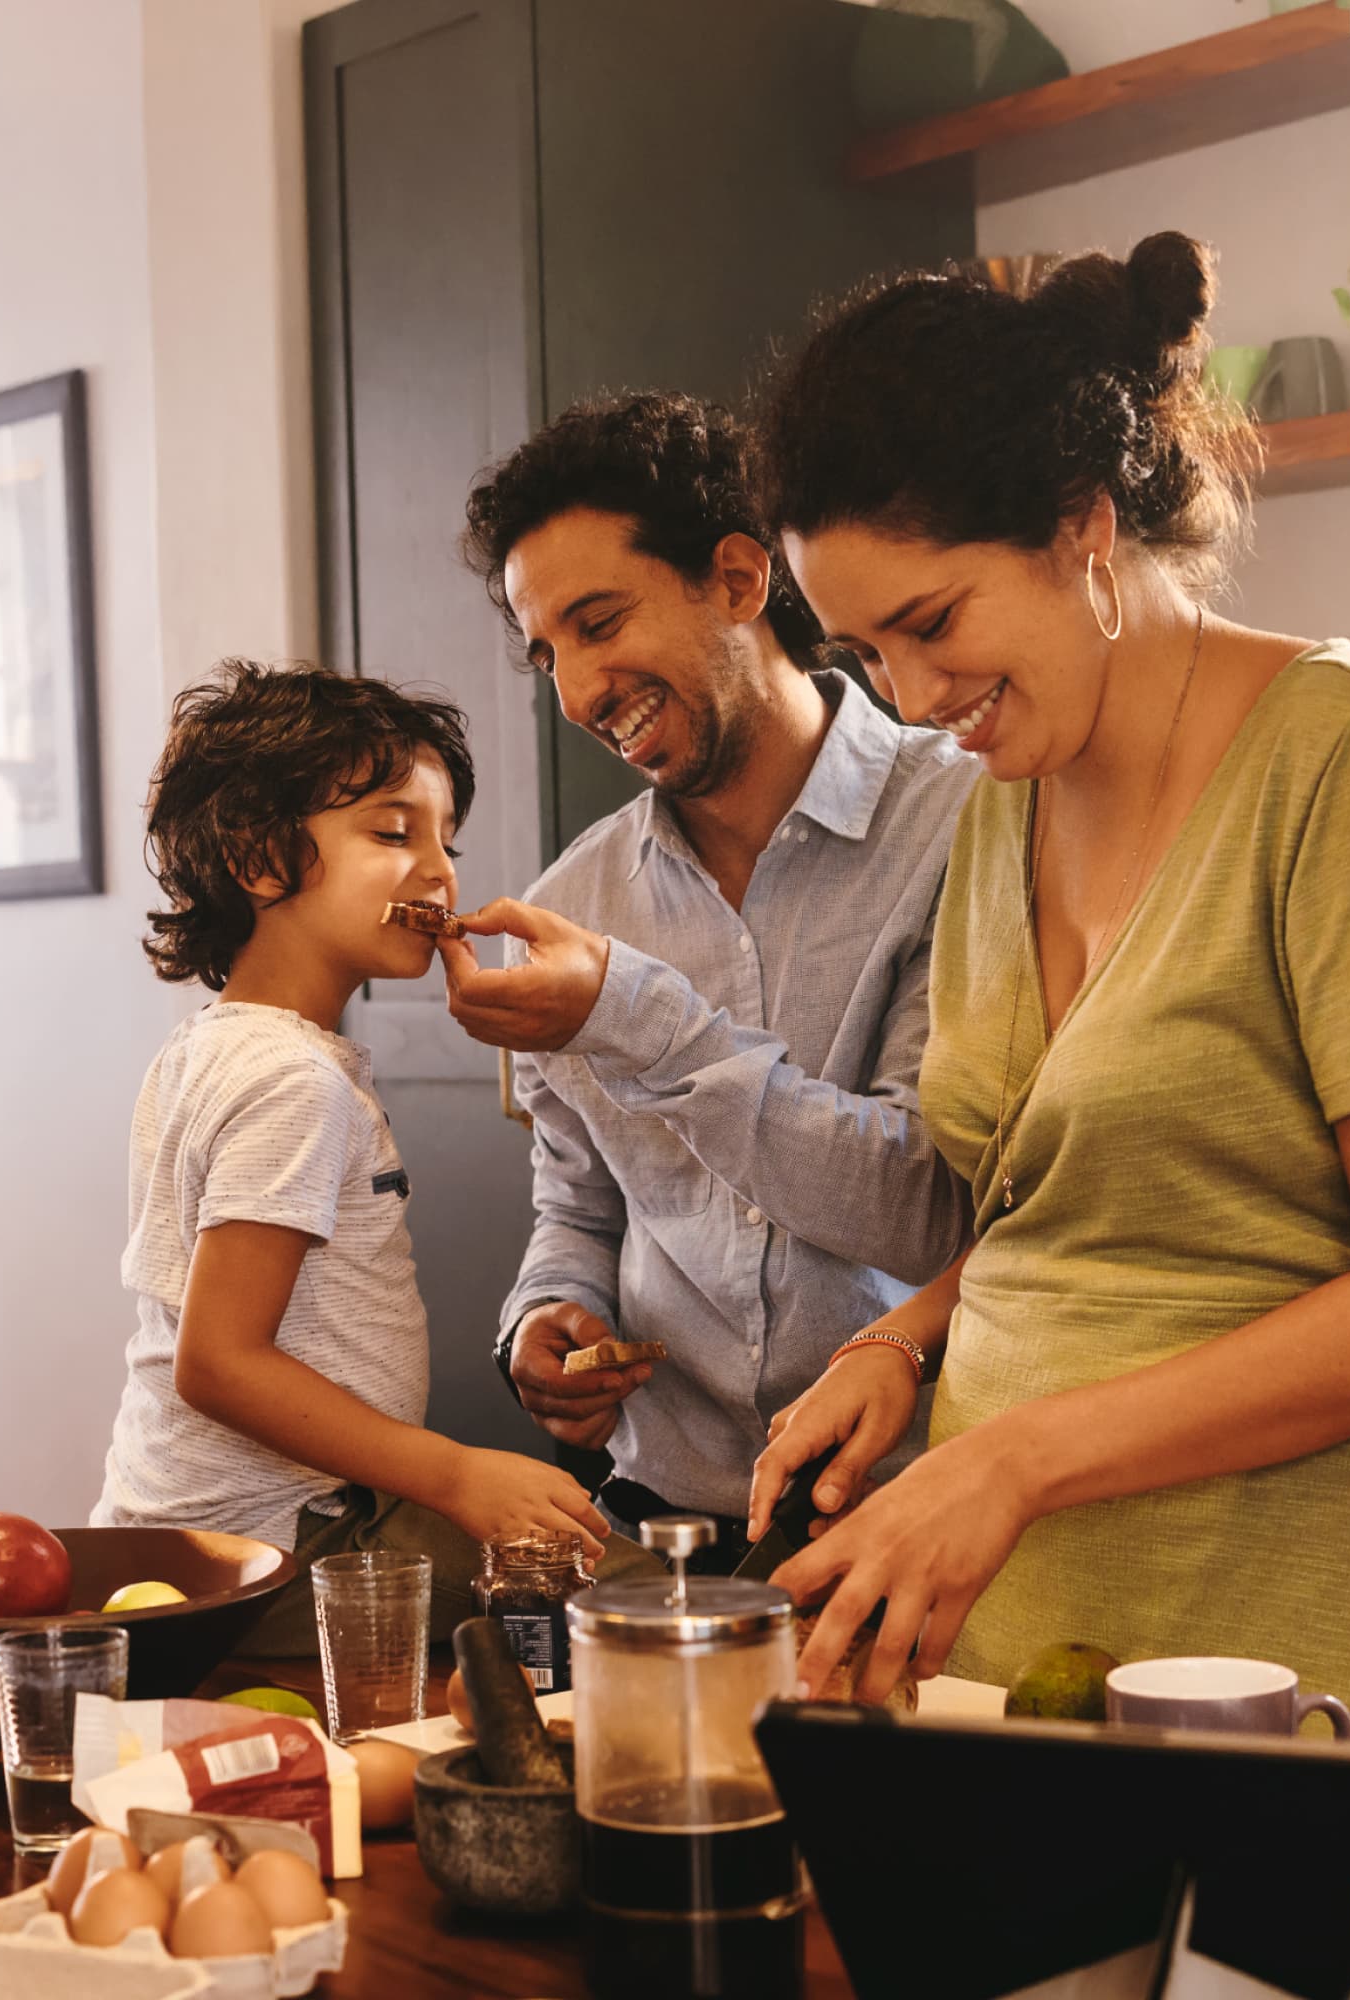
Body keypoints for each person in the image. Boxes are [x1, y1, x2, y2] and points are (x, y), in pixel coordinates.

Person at [745, 235, 1350, 1748]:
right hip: (1033, 1650)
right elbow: (1099, 1202)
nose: (911, 701)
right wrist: (907, 1338)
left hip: (1314, 1640)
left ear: (1083, 524)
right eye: (862, 653)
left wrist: (1013, 1462)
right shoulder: (1003, 801)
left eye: (931, 623)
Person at [443, 392, 977, 1563]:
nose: (579, 692)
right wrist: (541, 1319)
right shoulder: (574, 902)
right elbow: (578, 1207)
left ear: (738, 579)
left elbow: (925, 1208)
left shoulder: (968, 821)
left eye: (598, 621)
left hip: (914, 1522)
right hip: (665, 1528)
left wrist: (634, 1015)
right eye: (548, 654)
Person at [94, 662, 652, 1651]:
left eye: (446, 839)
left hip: (205, 1530)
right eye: (393, 832)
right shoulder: (292, 1083)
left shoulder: (212, 1045)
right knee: (650, 1599)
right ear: (261, 858)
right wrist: (458, 1474)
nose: (438, 871)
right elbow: (218, 1362)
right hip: (286, 1542)